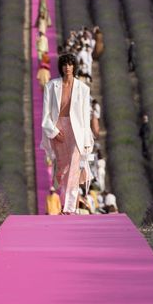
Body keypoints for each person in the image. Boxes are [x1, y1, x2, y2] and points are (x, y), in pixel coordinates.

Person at [41, 52, 94, 214]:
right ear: (61, 67)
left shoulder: (83, 89)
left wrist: (86, 141)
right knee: (62, 170)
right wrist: (54, 131)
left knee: (74, 167)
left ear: (74, 66)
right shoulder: (51, 86)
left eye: (70, 64)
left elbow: (85, 117)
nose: (67, 67)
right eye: (65, 64)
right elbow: (46, 115)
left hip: (76, 131)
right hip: (58, 129)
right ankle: (65, 202)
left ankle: (69, 207)